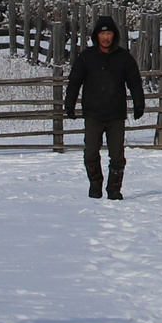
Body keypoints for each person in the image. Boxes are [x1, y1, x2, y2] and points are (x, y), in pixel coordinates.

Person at [63, 14, 145, 199]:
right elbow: (75, 81)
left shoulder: (124, 57)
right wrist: (69, 104)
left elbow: (134, 82)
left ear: (114, 35)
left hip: (116, 114)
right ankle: (95, 185)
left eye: (109, 33)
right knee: (90, 152)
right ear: (96, 36)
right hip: (93, 113)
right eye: (102, 34)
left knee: (117, 155)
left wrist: (139, 104)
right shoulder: (87, 57)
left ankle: (114, 189)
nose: (106, 37)